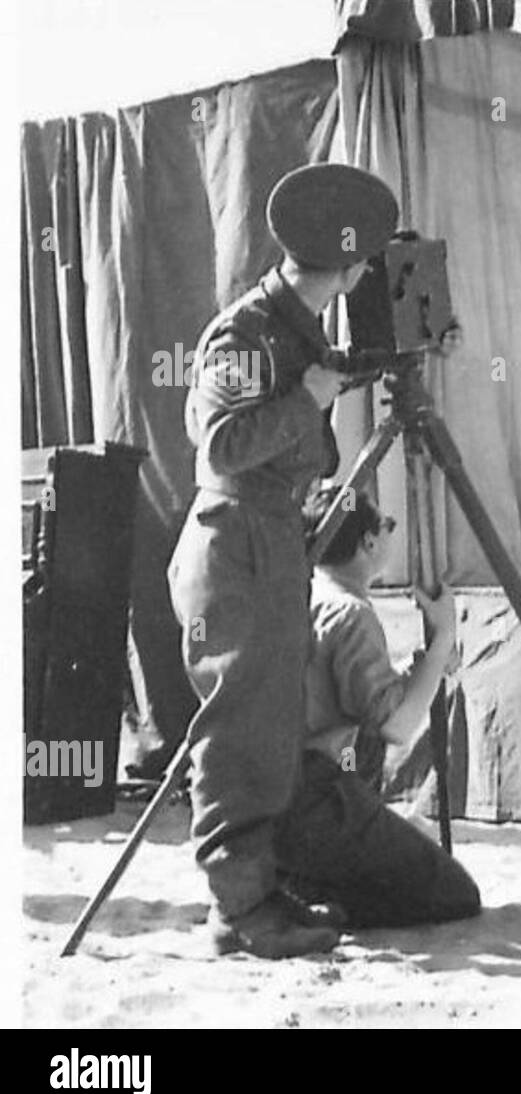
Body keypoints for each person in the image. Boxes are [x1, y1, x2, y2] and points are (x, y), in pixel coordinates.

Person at [168, 163, 398, 958]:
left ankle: (260, 894)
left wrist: (389, 360)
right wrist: (309, 398)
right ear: (348, 262)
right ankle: (236, 911)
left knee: (269, 727)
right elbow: (224, 444)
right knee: (237, 730)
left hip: (271, 540)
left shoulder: (296, 328)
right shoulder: (244, 332)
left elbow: (313, 386)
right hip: (236, 541)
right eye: (366, 257)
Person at [275, 485, 482, 928]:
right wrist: (444, 636)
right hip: (317, 798)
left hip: (277, 794)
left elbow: (351, 696)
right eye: (386, 525)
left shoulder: (306, 597)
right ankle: (336, 907)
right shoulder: (352, 614)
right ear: (369, 542)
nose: (390, 533)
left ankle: (314, 883)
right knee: (456, 894)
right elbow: (397, 726)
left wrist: (423, 668)